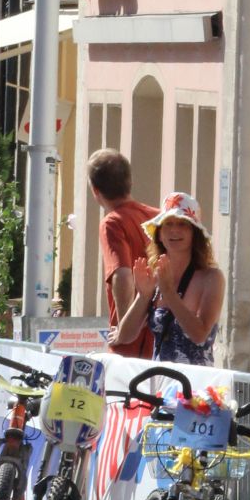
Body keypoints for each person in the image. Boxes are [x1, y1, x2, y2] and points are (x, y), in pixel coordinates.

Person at [112, 191, 225, 365]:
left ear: (194, 233)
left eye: (182, 224)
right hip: (158, 379)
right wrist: (143, 296)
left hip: (193, 380)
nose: (174, 230)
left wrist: (169, 294)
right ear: (159, 233)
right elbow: (125, 337)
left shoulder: (212, 278)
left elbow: (200, 335)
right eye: (168, 224)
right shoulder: (156, 275)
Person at [87, 148, 155, 358]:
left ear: (95, 191)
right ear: (130, 182)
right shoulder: (157, 217)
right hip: (160, 336)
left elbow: (122, 274)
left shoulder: (112, 222)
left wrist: (125, 327)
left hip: (134, 344)